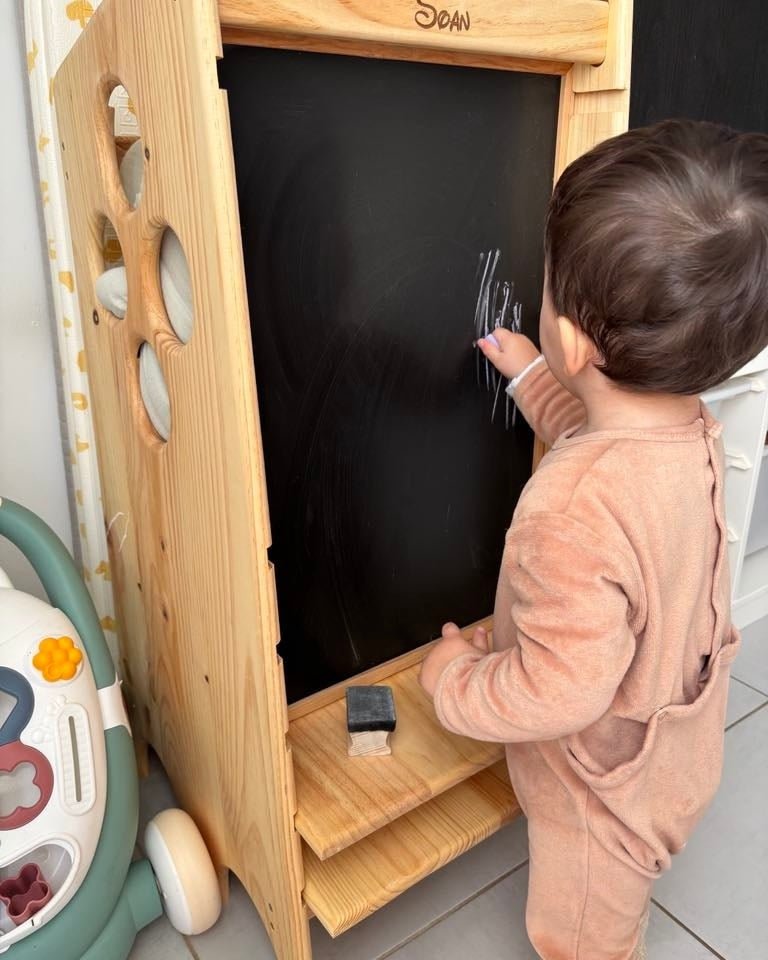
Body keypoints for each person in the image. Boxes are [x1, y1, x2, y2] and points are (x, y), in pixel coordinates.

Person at [419, 119, 768, 960]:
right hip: (673, 746)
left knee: (579, 935)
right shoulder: (691, 432)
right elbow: (596, 434)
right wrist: (534, 375)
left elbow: (559, 693)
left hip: (600, 801)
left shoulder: (570, 511)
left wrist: (454, 683)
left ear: (573, 335)